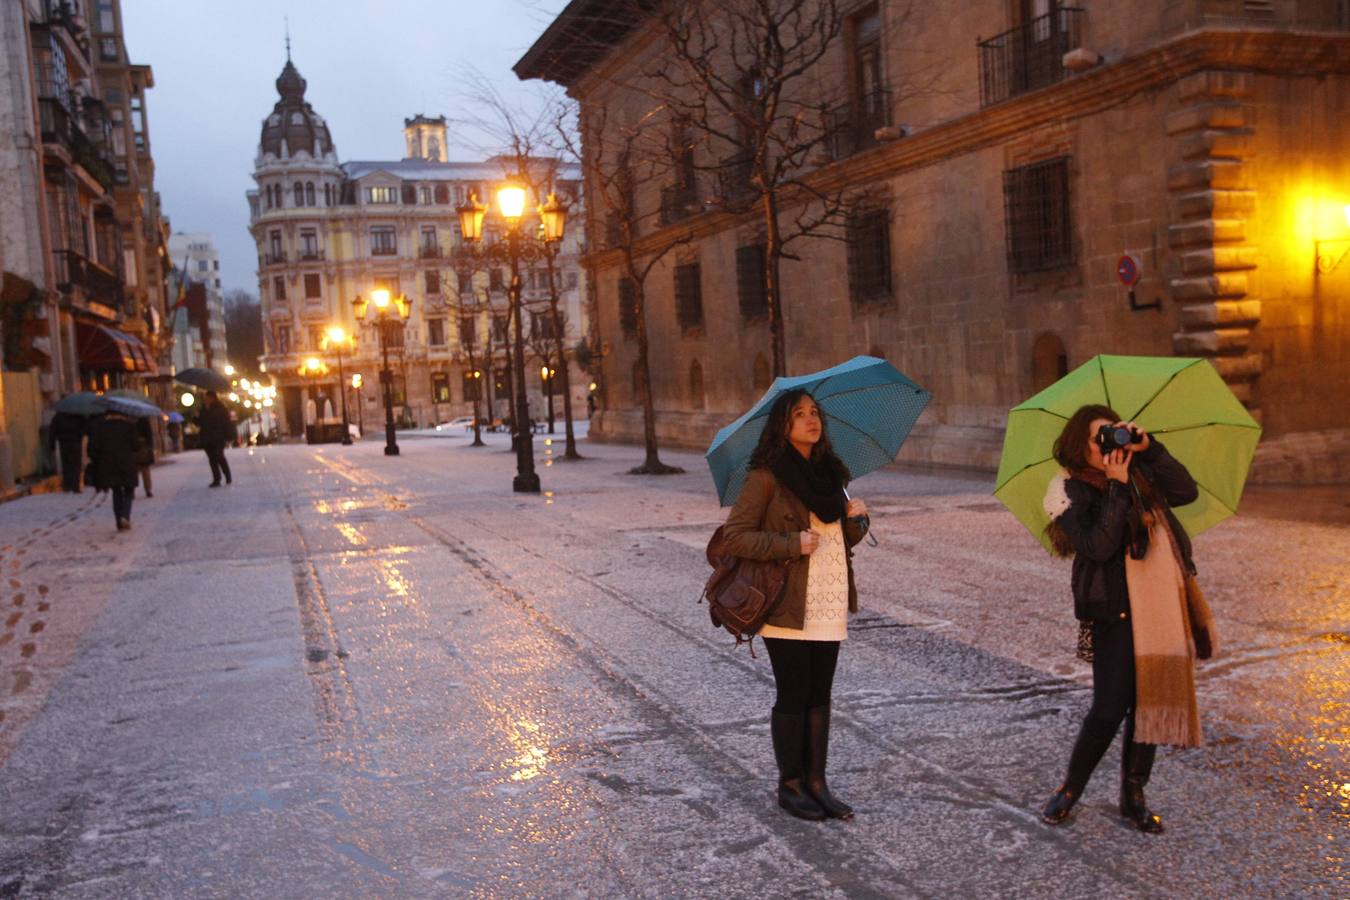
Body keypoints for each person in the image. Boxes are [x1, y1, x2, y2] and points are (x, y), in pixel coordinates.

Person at [1039, 404, 1203, 834]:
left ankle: (1133, 794)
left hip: (1158, 603)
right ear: (1080, 444)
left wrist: (1150, 450)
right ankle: (1070, 789)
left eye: (1111, 433)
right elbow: (1097, 546)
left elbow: (1187, 492)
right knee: (1109, 709)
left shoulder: (1139, 472)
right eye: (1098, 437)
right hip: (1114, 607)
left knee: (1147, 705)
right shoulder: (1068, 491)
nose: (1107, 444)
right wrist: (1115, 488)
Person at [721, 390, 869, 821]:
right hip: (787, 602)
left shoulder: (833, 475)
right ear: (783, 426)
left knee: (821, 693)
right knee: (794, 693)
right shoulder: (766, 477)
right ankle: (790, 785)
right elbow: (735, 536)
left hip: (829, 596)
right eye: (799, 414)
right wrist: (792, 542)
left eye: (814, 413)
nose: (810, 420)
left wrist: (857, 521)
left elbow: (840, 541)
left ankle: (817, 781)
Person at [87, 410, 141, 531]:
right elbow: (136, 446)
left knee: (116, 491)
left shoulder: (101, 427)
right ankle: (125, 516)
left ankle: (118, 522)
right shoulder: (129, 426)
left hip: (108, 464)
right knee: (129, 490)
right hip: (126, 463)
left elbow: (95, 447)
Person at [198, 391, 233, 487]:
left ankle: (227, 474)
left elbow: (226, 423)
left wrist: (228, 436)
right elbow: (200, 423)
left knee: (219, 456)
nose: (205, 399)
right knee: (212, 459)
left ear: (212, 398)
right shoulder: (203, 409)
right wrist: (196, 417)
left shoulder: (221, 408)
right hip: (207, 437)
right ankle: (216, 479)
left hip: (218, 437)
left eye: (207, 397)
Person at [48, 410, 86, 492]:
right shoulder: (77, 415)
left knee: (66, 465)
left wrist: (52, 444)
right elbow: (84, 427)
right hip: (75, 443)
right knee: (76, 465)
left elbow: (53, 430)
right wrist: (80, 435)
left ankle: (67, 485)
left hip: (64, 444)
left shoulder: (58, 416)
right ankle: (75, 486)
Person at [135, 416, 154, 498]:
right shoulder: (144, 421)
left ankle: (132, 490)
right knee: (145, 471)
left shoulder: (129, 421)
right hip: (144, 448)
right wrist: (150, 448)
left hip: (134, 450)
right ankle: (148, 489)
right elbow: (150, 436)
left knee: (134, 471)